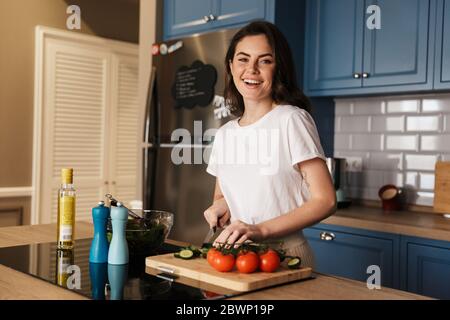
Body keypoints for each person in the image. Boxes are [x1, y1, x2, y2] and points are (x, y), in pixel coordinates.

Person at [204, 21, 336, 268]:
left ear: (279, 68)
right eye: (243, 59)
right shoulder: (225, 134)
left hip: (284, 256)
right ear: (231, 66)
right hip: (238, 256)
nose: (251, 69)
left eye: (264, 61)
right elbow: (223, 196)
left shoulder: (291, 119)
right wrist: (220, 207)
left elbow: (325, 200)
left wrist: (261, 230)